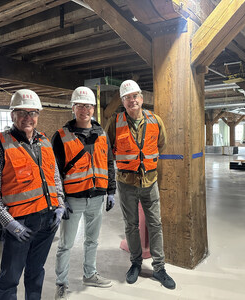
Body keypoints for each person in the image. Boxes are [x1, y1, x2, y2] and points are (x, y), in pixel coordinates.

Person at [0, 89, 67, 300]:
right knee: (9, 280)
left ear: (38, 115)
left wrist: (61, 205)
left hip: (47, 222)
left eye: (32, 113)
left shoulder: (45, 142)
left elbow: (55, 179)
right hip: (20, 224)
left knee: (36, 274)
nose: (28, 118)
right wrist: (11, 224)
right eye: (22, 112)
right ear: (12, 115)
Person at [105, 80, 176, 289]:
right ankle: (135, 263)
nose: (132, 100)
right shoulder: (115, 121)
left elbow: (161, 143)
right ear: (123, 101)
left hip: (150, 181)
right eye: (127, 97)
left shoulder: (155, 120)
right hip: (126, 183)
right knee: (131, 225)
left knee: (155, 224)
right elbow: (108, 149)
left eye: (135, 96)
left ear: (141, 99)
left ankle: (159, 268)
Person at [53, 86, 116, 299]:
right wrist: (60, 200)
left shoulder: (101, 134)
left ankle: (90, 274)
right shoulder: (61, 136)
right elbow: (55, 171)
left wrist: (110, 191)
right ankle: (61, 283)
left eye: (88, 106)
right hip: (73, 199)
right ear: (73, 108)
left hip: (97, 197)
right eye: (80, 105)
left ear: (93, 109)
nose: (84, 110)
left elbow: (108, 164)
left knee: (92, 240)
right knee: (66, 244)